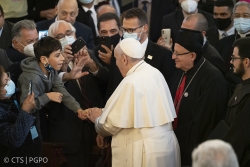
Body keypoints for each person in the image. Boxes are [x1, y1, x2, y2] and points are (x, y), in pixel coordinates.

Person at [85, 38, 181, 167]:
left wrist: (97, 120)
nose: (116, 64)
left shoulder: (131, 82)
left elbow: (111, 125)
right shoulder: (155, 73)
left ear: (124, 59)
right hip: (165, 146)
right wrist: (105, 111)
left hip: (143, 150)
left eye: (116, 60)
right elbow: (140, 110)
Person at [47, 20, 109, 167]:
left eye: (68, 33)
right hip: (69, 132)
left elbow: (107, 81)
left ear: (75, 35)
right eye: (59, 36)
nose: (65, 38)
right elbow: (50, 92)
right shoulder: (49, 63)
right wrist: (62, 66)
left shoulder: (90, 53)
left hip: (95, 128)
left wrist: (91, 64)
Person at [169, 28, 229, 166]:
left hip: (195, 153)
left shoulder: (213, 79)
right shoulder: (180, 71)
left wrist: (174, 137)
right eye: (174, 52)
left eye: (178, 53)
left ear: (192, 56)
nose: (173, 57)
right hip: (175, 145)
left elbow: (203, 124)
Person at [17, 36, 87, 143]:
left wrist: (78, 109)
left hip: (41, 119)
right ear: (44, 59)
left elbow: (61, 90)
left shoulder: (50, 68)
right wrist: (48, 96)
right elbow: (26, 108)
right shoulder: (31, 78)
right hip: (29, 127)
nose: (63, 59)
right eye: (58, 55)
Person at [105, 8, 175, 101]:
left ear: (145, 28)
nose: (127, 34)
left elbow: (167, 91)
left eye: (131, 30)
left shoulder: (163, 54)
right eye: (124, 30)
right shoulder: (119, 51)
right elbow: (112, 87)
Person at [0, 66, 39, 167]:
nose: (9, 82)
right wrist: (25, 111)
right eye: (5, 83)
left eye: (7, 76)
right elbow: (13, 140)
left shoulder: (13, 96)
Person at [220, 37, 250, 166]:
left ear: (246, 62)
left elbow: (240, 138)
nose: (231, 62)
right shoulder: (240, 86)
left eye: (234, 58)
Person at [216, 1, 250, 91]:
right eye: (237, 16)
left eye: (246, 16)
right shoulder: (223, 43)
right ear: (232, 17)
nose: (241, 19)